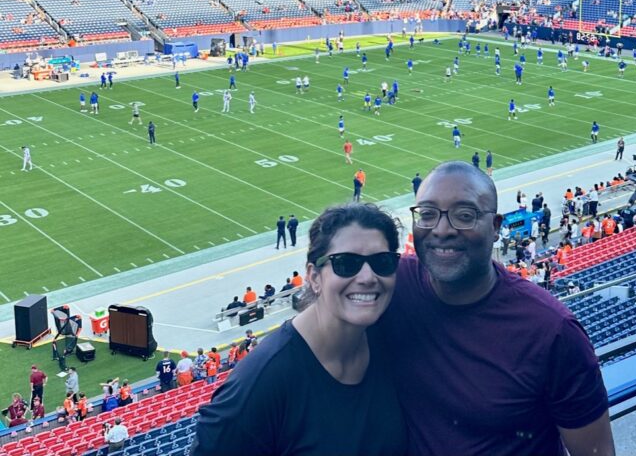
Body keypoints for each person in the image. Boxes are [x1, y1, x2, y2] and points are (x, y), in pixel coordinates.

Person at [380, 162, 613, 456]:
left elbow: (596, 453)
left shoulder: (551, 330)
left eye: (464, 216)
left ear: (495, 228)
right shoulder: (391, 284)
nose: (442, 229)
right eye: (427, 214)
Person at [189, 202, 407, 456]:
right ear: (314, 277)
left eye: (382, 261)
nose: (368, 277)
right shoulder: (263, 382)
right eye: (346, 263)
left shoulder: (388, 338)